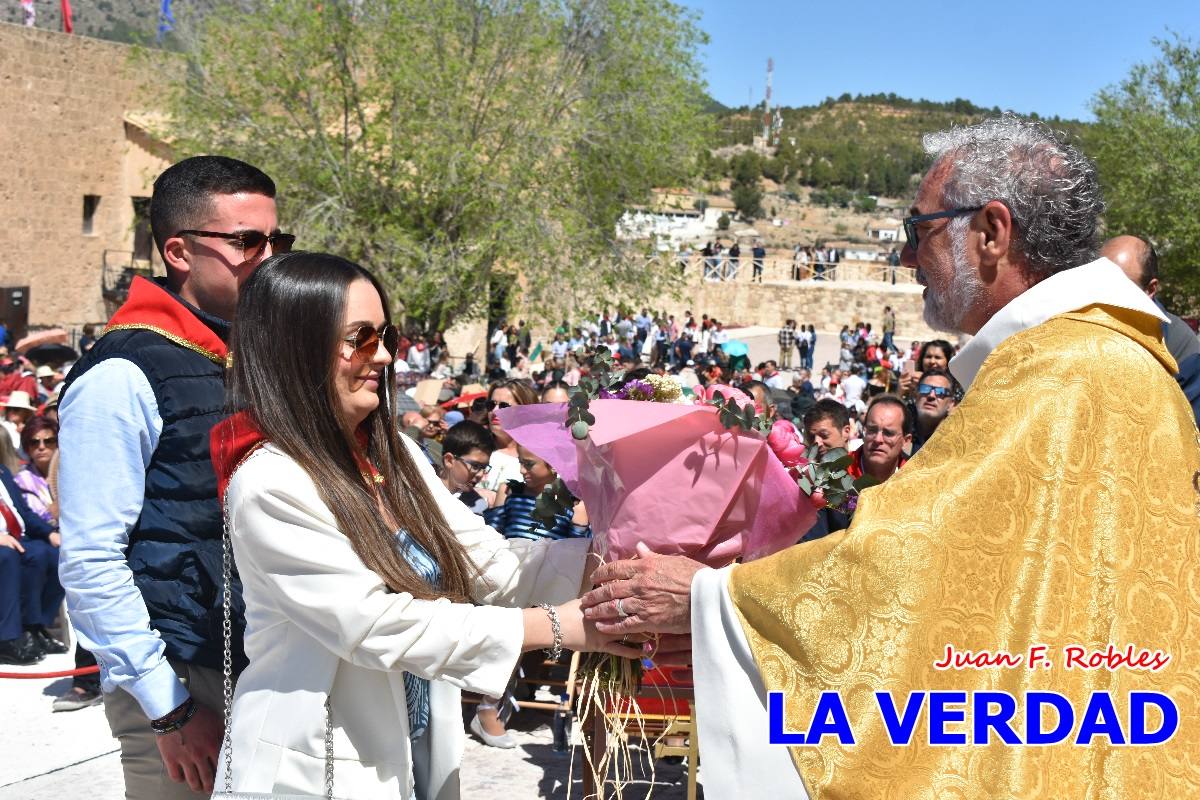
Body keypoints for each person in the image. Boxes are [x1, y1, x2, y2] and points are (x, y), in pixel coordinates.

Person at [581, 115, 1200, 797]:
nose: (908, 260)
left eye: (920, 231)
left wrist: (706, 598)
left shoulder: (1061, 371)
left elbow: (905, 564)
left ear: (991, 233)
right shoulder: (1101, 359)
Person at [211, 252, 632, 798]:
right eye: (360, 338)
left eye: (386, 335)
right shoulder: (271, 480)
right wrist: (555, 626)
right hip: (316, 768)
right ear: (294, 348)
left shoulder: (397, 457)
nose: (384, 355)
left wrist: (627, 554)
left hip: (413, 748)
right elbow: (375, 625)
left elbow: (494, 565)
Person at [58, 156, 289, 799]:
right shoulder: (120, 374)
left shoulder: (254, 354)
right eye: (247, 241)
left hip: (266, 657)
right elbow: (90, 560)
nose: (267, 258)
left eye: (277, 240)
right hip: (184, 678)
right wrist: (168, 707)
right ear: (179, 252)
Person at [1101, 234, 1200, 423]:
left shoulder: (1180, 346)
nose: (1106, 296)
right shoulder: (1076, 326)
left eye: (1120, 287)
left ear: (1150, 289)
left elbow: (1187, 430)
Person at [477, 379, 538, 494]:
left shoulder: (540, 457)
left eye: (504, 406)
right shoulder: (474, 446)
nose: (495, 411)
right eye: (491, 405)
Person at [909, 368, 959, 455]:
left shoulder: (958, 444)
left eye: (940, 392)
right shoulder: (899, 433)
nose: (931, 396)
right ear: (916, 396)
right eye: (925, 389)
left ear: (951, 404)